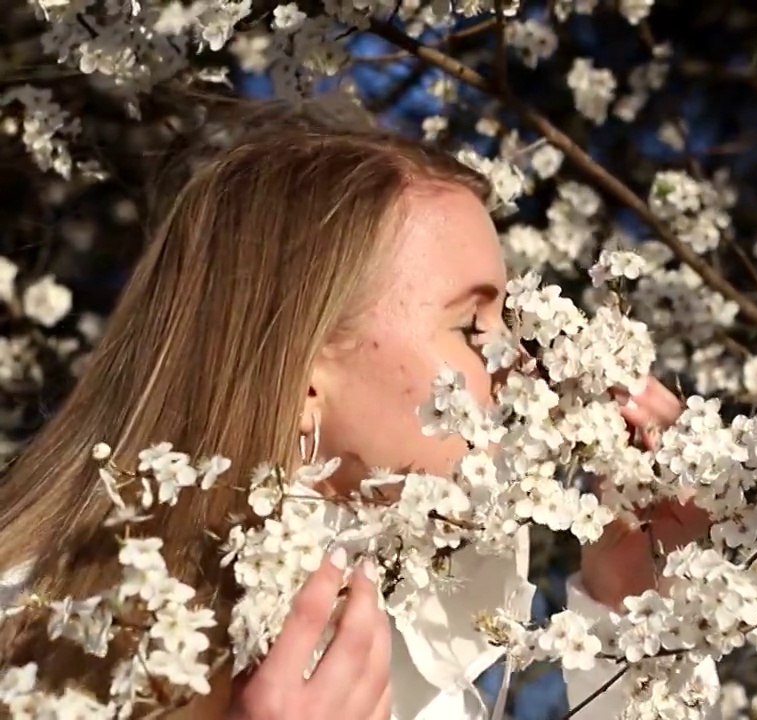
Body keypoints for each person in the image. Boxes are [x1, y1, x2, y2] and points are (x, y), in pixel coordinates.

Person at [0, 97, 717, 719]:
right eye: (473, 329)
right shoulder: (39, 638)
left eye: (515, 329)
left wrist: (632, 624)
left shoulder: (412, 650)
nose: (525, 367)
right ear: (303, 377)